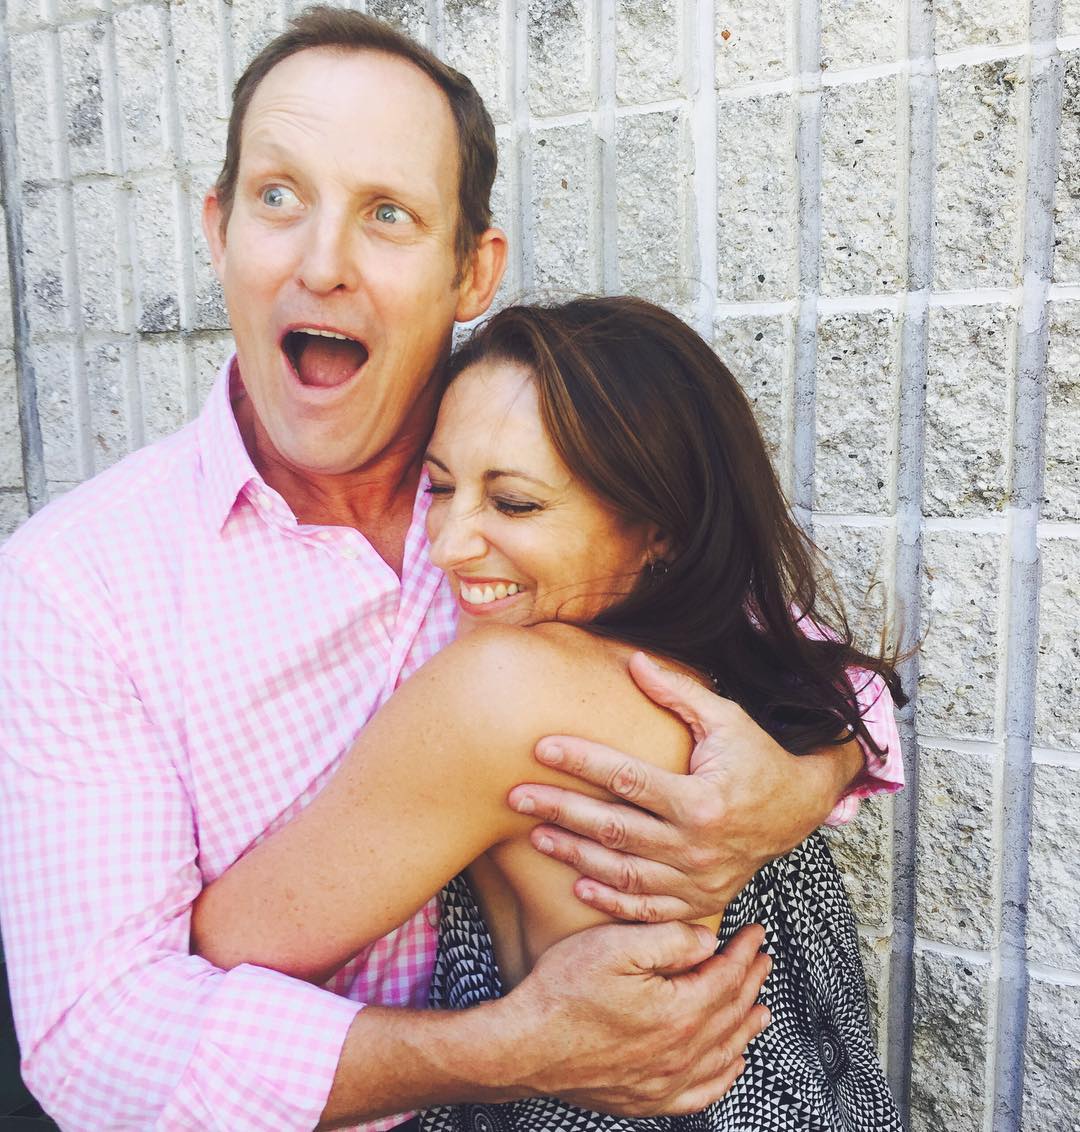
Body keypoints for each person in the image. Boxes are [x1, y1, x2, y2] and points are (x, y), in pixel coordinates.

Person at [0, 8, 902, 1129]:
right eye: (278, 197)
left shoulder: (545, 463)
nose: (322, 264)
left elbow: (813, 664)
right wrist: (504, 1051)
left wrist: (794, 785)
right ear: (220, 229)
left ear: (472, 270)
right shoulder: (75, 583)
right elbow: (98, 1035)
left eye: (387, 212)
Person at [191, 295, 905, 1131]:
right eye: (440, 487)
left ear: (659, 528)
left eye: (515, 504)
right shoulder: (746, 677)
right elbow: (857, 684)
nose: (448, 545)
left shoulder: (502, 689)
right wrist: (821, 771)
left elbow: (227, 951)